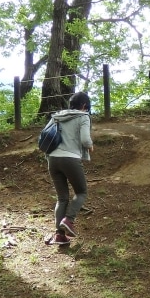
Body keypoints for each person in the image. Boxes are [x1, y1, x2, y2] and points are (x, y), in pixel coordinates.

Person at [45, 92, 94, 247]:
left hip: (52, 159)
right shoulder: (83, 116)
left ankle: (59, 235)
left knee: (62, 198)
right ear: (84, 106)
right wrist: (90, 145)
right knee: (81, 192)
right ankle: (69, 220)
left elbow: (45, 136)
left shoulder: (56, 116)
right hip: (70, 159)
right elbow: (85, 140)